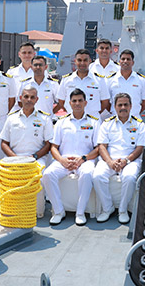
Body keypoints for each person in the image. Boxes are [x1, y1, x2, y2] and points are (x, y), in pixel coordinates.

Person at [41, 88, 100, 226]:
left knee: (87, 174)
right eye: (74, 101)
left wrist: (83, 158)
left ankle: (80, 212)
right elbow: (53, 147)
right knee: (48, 174)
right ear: (70, 103)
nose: (77, 103)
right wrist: (62, 160)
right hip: (64, 160)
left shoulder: (94, 122)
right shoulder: (61, 122)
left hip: (85, 160)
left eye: (80, 100)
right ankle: (58, 211)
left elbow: (98, 148)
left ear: (85, 103)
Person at [0, 85, 54, 218]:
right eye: (26, 97)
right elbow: (4, 143)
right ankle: (11, 208)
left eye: (32, 97)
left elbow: (48, 144)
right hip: (14, 158)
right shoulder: (11, 118)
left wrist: (34, 156)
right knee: (3, 175)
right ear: (20, 98)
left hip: (36, 159)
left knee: (39, 176)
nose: (29, 100)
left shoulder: (44, 119)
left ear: (37, 99)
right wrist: (15, 158)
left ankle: (38, 211)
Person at [92, 93, 145, 224]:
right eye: (120, 105)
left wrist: (126, 161)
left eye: (126, 104)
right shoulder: (107, 124)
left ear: (131, 106)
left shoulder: (139, 124)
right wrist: (110, 162)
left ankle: (123, 210)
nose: (123, 107)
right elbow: (102, 146)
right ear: (115, 107)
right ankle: (107, 208)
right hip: (109, 160)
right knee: (97, 176)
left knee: (129, 177)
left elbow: (139, 148)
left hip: (130, 160)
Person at [57, 49, 111, 117]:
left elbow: (105, 101)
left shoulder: (99, 80)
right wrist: (70, 112)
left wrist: (93, 115)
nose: (82, 63)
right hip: (72, 120)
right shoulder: (66, 80)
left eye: (85, 60)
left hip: (92, 121)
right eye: (79, 60)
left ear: (90, 61)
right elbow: (61, 101)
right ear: (75, 61)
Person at [105, 49, 145, 118]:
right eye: (123, 59)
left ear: (133, 62)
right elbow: (106, 101)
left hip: (134, 119)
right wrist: (114, 112)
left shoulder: (142, 80)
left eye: (128, 59)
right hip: (115, 119)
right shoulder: (110, 80)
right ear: (119, 61)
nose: (125, 61)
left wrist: (135, 112)